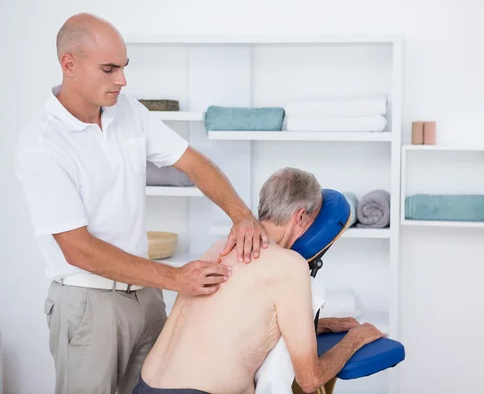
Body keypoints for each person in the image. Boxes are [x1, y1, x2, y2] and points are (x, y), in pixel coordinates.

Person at [14, 13, 268, 394]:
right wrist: (176, 279)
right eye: (109, 69)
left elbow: (194, 163)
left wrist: (243, 218)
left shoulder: (128, 111)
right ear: (69, 64)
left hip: (146, 297)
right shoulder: (43, 143)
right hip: (88, 304)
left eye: (124, 67)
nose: (122, 80)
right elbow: (77, 249)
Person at [135, 167, 385, 394]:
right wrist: (357, 338)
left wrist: (322, 325)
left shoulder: (220, 248)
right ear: (300, 217)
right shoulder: (290, 265)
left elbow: (237, 324)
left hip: (144, 385)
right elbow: (310, 379)